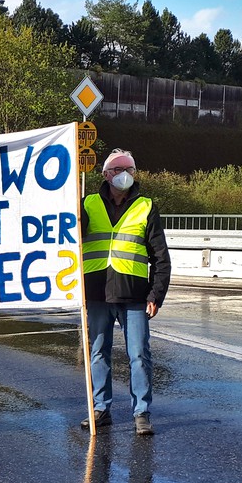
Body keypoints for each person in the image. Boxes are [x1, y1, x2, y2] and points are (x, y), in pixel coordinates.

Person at [79, 149, 172, 435]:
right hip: (95, 292)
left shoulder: (146, 205)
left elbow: (160, 256)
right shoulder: (87, 204)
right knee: (97, 353)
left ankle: (141, 412)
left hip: (134, 295)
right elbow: (67, 242)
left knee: (139, 355)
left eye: (130, 169)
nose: (125, 175)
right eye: (119, 169)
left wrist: (156, 295)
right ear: (106, 174)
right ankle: (100, 408)